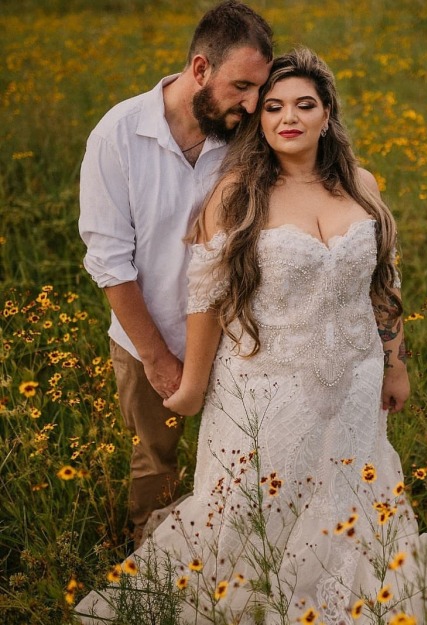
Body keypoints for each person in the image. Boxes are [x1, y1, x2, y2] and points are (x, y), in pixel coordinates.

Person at [76, 48, 427, 624]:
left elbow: (382, 281)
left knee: (351, 499)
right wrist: (191, 384)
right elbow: (206, 299)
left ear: (327, 112)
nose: (289, 117)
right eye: (275, 106)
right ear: (259, 120)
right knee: (254, 513)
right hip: (267, 388)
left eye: (305, 104)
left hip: (353, 386)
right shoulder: (239, 193)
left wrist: (394, 362)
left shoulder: (361, 185)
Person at [78, 0, 273, 548]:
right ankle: (148, 549)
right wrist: (158, 356)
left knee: (239, 450)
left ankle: (229, 548)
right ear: (200, 69)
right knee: (155, 458)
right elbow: (109, 262)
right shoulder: (118, 134)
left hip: (236, 338)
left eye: (258, 89)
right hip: (147, 335)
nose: (252, 102)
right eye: (241, 86)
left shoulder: (246, 139)